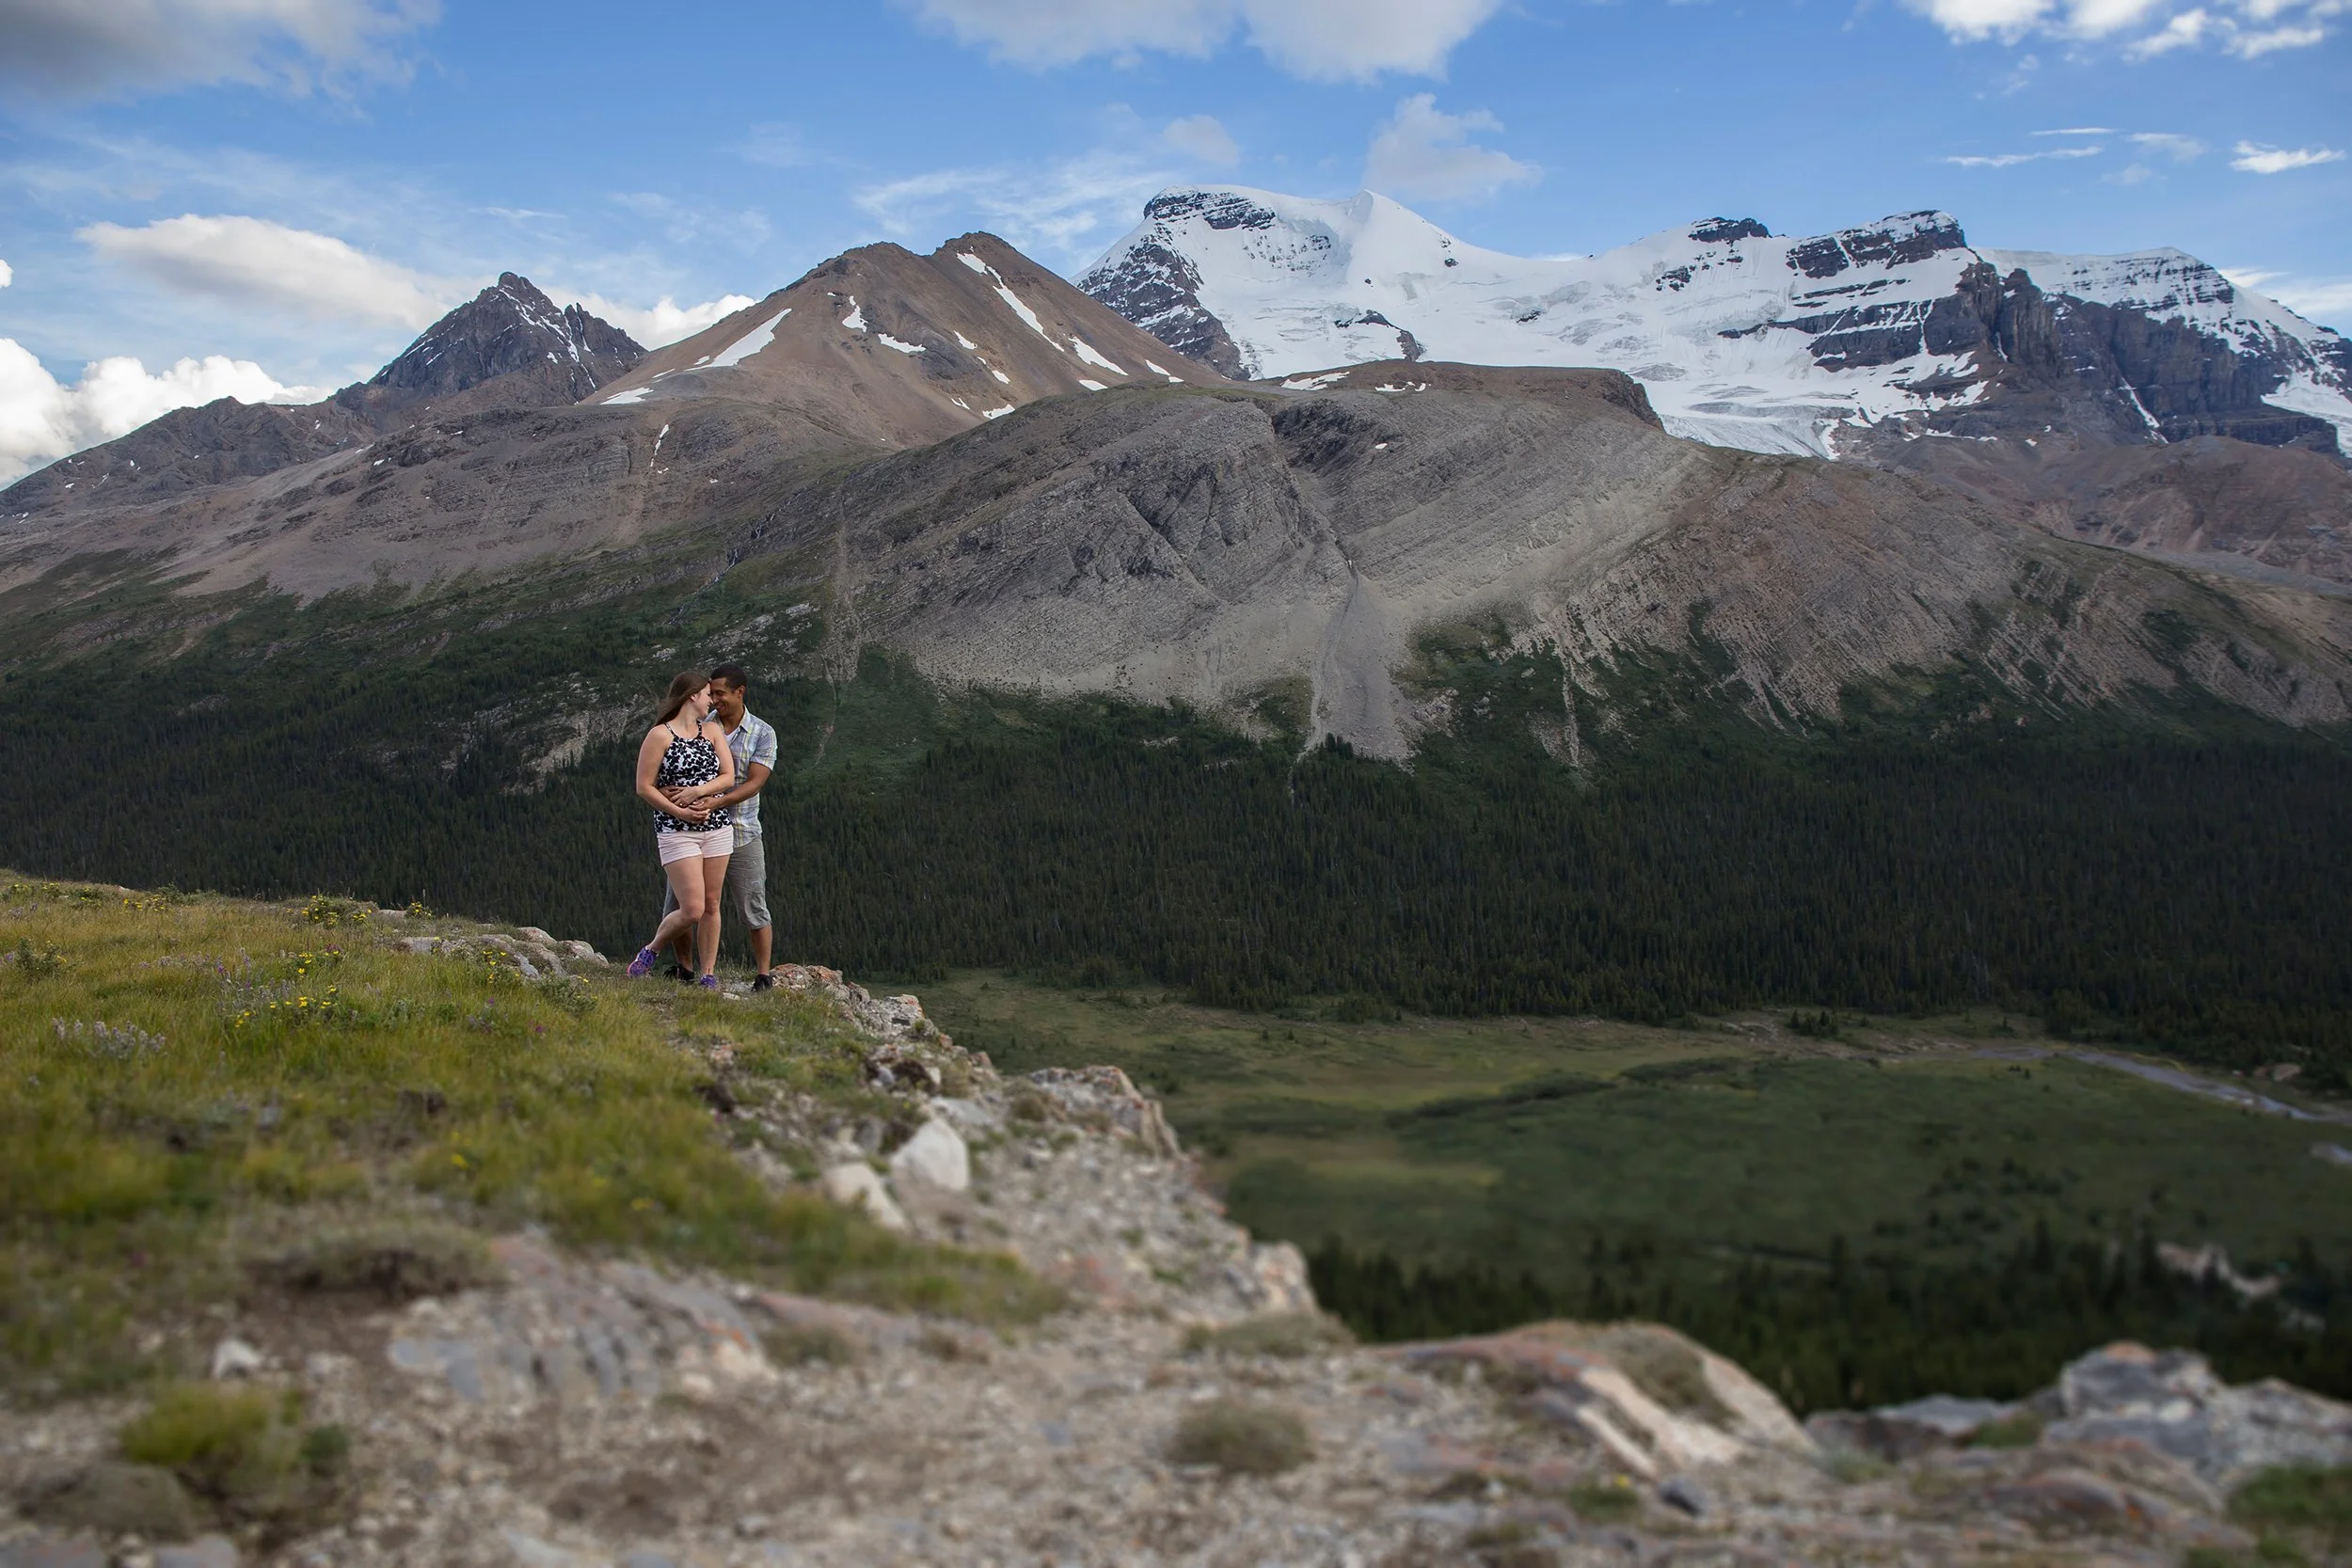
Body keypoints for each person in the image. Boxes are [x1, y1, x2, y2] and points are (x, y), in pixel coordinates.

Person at [657, 662, 781, 989]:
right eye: (710, 693)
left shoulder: (762, 733)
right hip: (692, 830)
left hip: (741, 830)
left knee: (752, 904)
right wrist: (668, 792)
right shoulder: (700, 723)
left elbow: (754, 783)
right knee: (684, 906)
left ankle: (763, 974)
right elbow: (672, 768)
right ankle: (685, 969)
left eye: (720, 693)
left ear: (740, 692)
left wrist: (715, 801)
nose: (714, 699)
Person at [627, 672, 736, 988]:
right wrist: (680, 811)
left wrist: (697, 793)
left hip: (716, 826)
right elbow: (644, 787)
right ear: (691, 696)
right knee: (692, 908)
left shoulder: (712, 731)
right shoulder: (659, 736)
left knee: (713, 904)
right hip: (676, 830)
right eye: (706, 694)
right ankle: (651, 951)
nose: (711, 701)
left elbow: (728, 777)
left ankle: (708, 973)